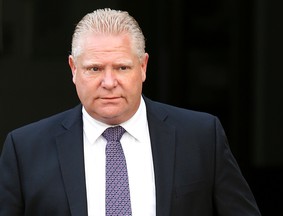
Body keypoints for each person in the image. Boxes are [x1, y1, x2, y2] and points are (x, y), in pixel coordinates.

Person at [0, 8, 261, 216]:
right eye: (95, 68)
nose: (109, 82)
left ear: (143, 66)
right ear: (74, 69)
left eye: (122, 68)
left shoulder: (201, 137)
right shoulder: (25, 149)